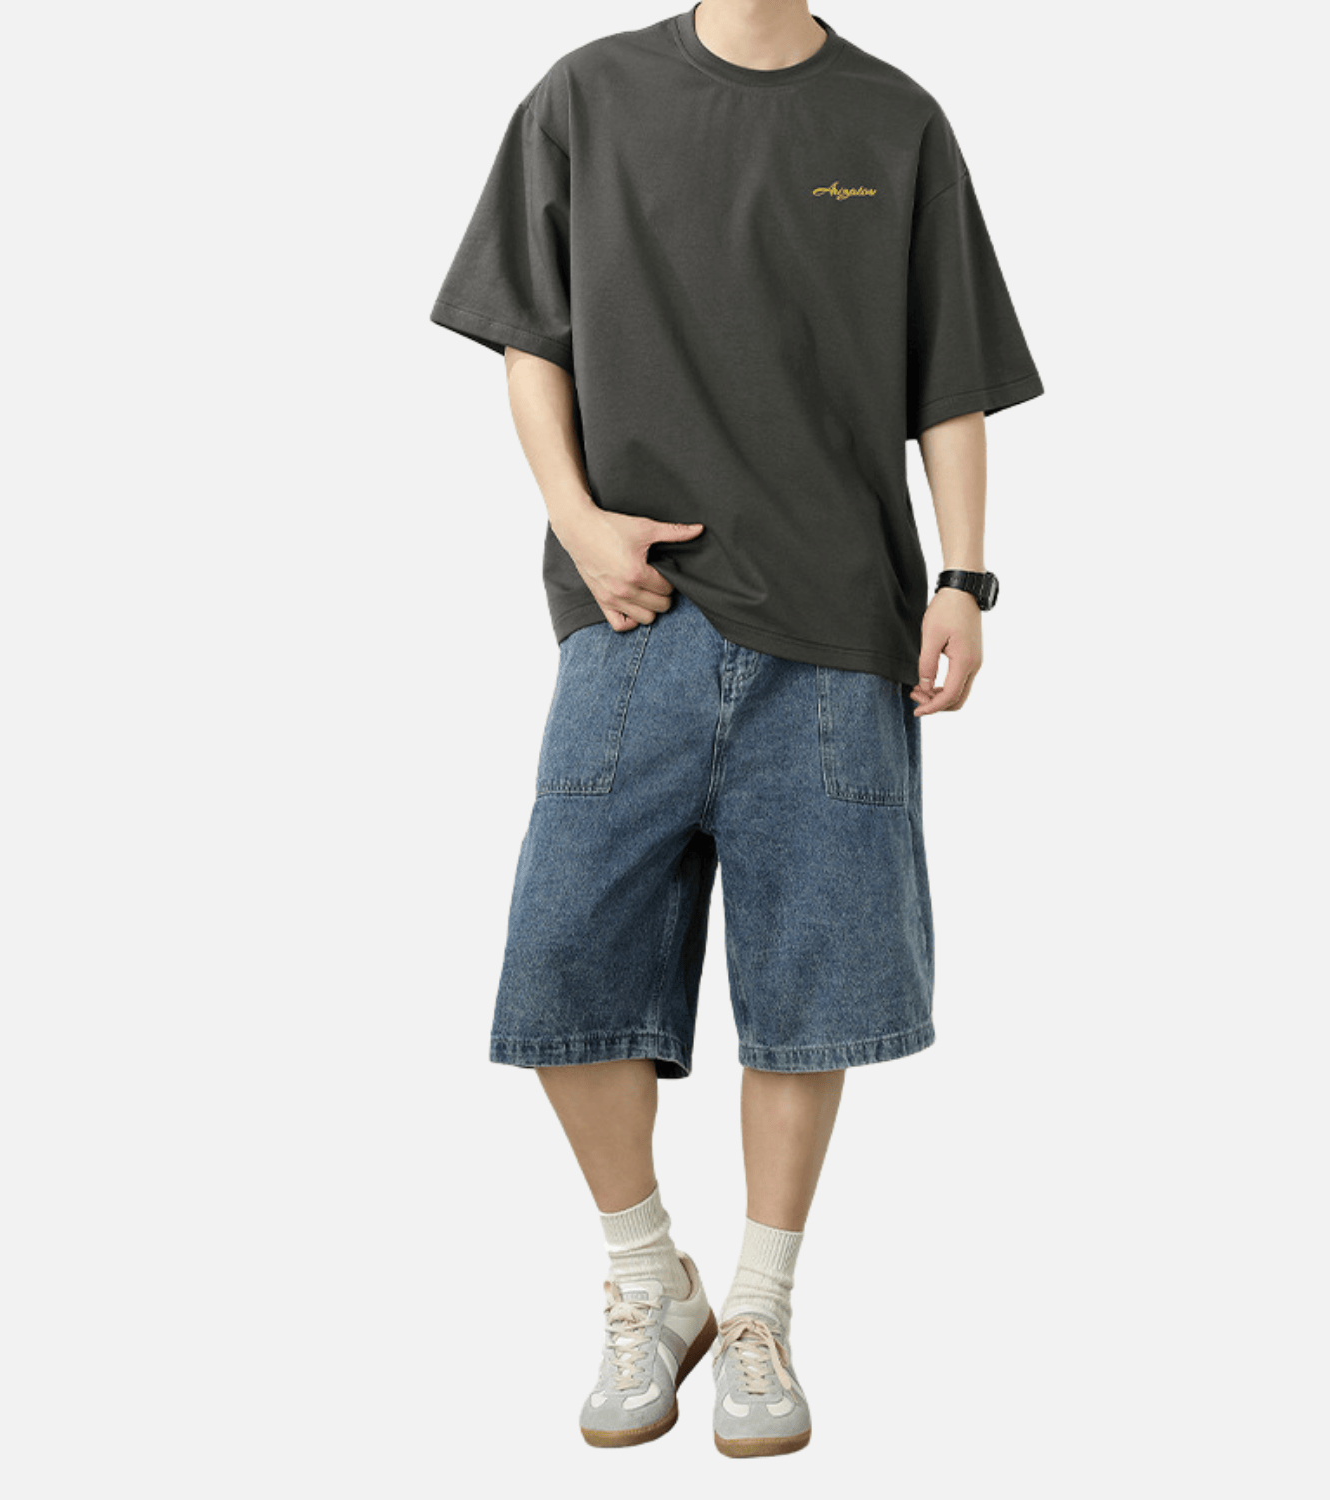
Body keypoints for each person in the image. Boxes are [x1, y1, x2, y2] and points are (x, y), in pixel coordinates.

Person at [430, 0, 1042, 1459]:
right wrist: (579, 524)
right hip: (632, 617)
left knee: (811, 988)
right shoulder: (586, 95)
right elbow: (529, 338)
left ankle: (761, 1309)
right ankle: (651, 1277)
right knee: (563, 966)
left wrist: (964, 579)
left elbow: (950, 380)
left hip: (839, 628)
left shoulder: (895, 119)